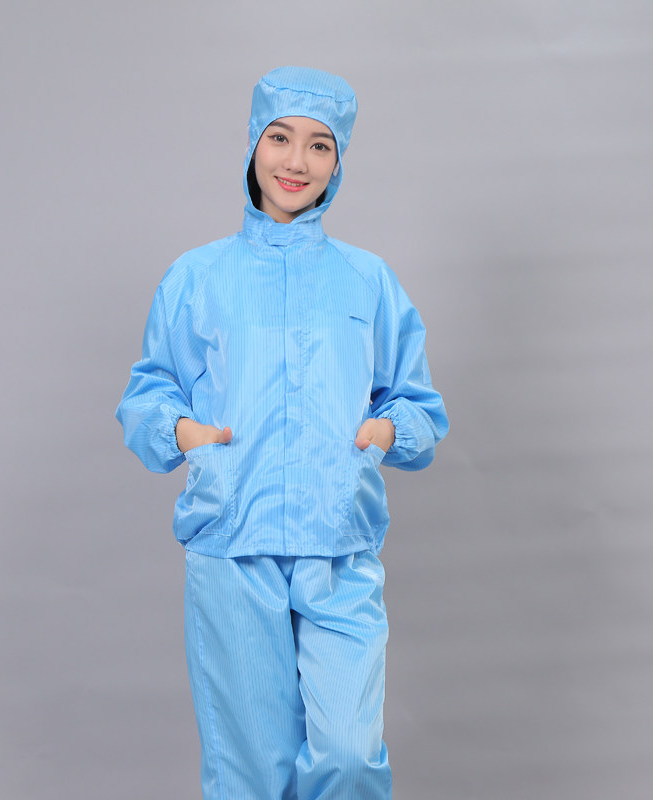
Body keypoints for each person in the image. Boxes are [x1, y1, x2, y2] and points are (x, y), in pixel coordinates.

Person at [117, 66, 448, 800]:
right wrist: (186, 433)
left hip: (339, 546)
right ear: (252, 143)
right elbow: (147, 394)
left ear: (339, 160)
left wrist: (382, 432)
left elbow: (421, 409)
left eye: (319, 145)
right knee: (252, 774)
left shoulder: (367, 280)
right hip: (233, 542)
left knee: (350, 758)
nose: (296, 162)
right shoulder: (197, 277)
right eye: (280, 138)